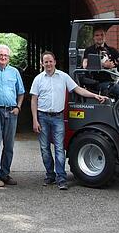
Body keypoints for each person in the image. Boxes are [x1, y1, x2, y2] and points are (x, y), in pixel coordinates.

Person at [31, 51, 106, 190]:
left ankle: (61, 178)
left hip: (57, 117)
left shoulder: (63, 77)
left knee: (59, 148)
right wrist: (35, 120)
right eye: (45, 62)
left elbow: (78, 90)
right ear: (42, 63)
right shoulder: (38, 79)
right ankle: (50, 175)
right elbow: (34, 100)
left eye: (50, 61)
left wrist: (94, 96)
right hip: (42, 117)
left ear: (55, 62)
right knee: (44, 149)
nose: (48, 64)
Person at [0, 44, 26, 187]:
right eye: (0, 55)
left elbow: (21, 92)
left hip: (12, 111)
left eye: (5, 55)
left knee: (9, 145)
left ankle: (5, 174)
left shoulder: (14, 72)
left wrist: (18, 107)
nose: (3, 57)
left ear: (9, 57)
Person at [82, 27, 119, 100]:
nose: (99, 37)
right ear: (93, 37)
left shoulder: (112, 50)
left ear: (105, 37)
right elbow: (85, 65)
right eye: (97, 35)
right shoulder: (89, 50)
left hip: (116, 80)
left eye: (102, 35)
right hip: (99, 82)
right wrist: (103, 65)